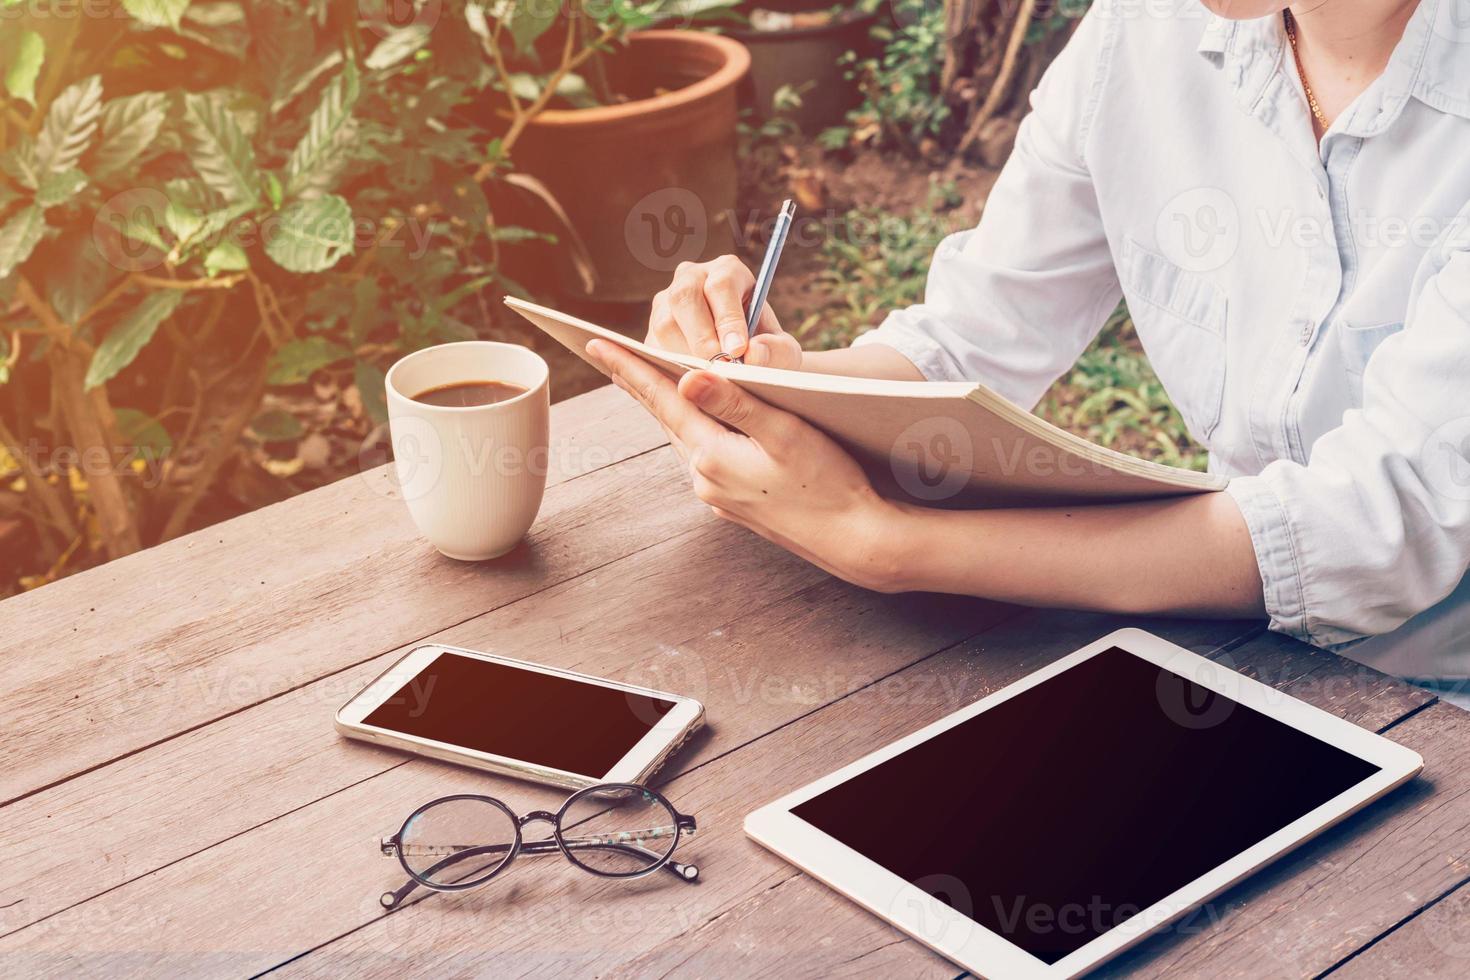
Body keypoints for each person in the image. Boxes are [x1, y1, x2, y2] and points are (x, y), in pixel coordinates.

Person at [584, 0, 1470, 692]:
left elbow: (1379, 524)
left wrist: (894, 547)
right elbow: (974, 334)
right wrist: (771, 378)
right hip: (1231, 644)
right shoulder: (1143, 33)